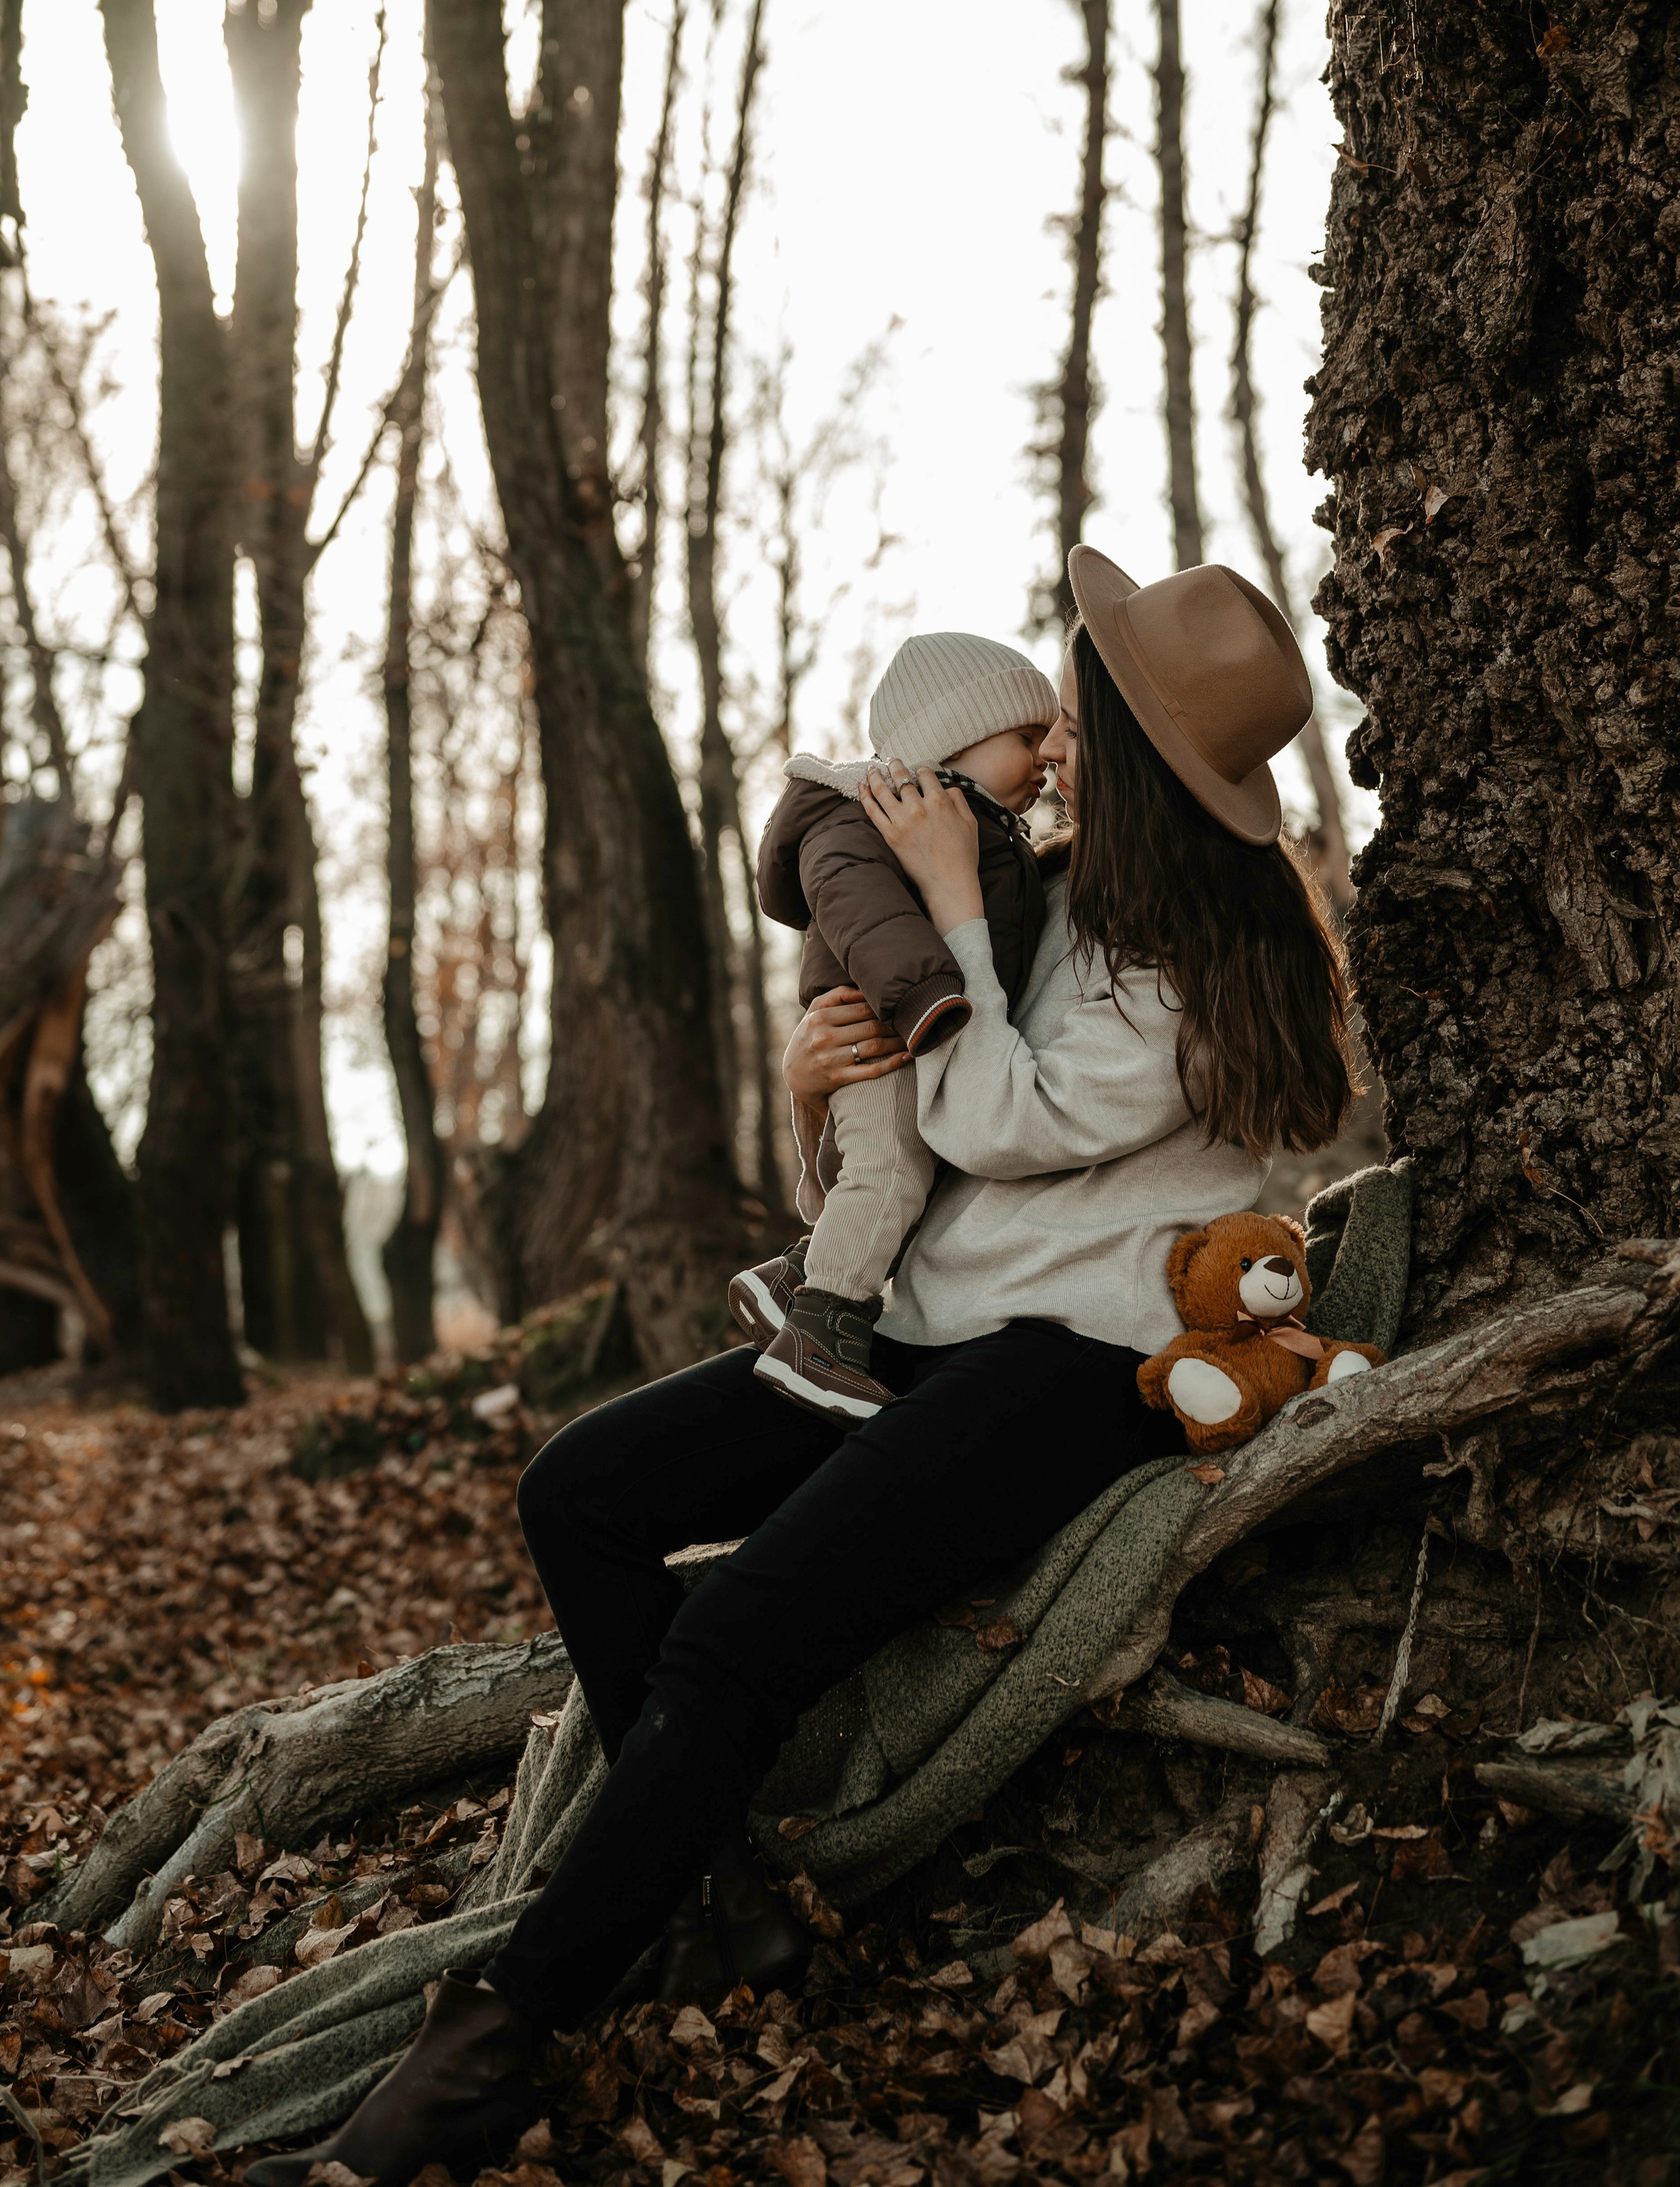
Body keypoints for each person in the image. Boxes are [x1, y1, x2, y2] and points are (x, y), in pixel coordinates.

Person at [248, 548, 1354, 2187]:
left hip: (1071, 1366)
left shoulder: (1192, 959)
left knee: (739, 1638)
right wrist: (808, 1075)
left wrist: (955, 910)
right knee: (583, 1491)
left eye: (1076, 719)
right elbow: (914, 1135)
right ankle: (716, 1895)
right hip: (923, 1324)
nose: (1050, 749)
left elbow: (996, 1116)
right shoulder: (1054, 892)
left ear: (1134, 748)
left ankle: (492, 2044)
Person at [734, 629, 1058, 1424]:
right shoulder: (872, 815)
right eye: (1027, 737)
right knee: (889, 1172)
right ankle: (821, 1338)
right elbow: (861, 907)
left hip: (915, 1035)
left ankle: (794, 1278)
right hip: (885, 1032)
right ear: (957, 735)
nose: (1046, 758)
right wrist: (922, 996)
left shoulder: (987, 828)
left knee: (900, 1178)